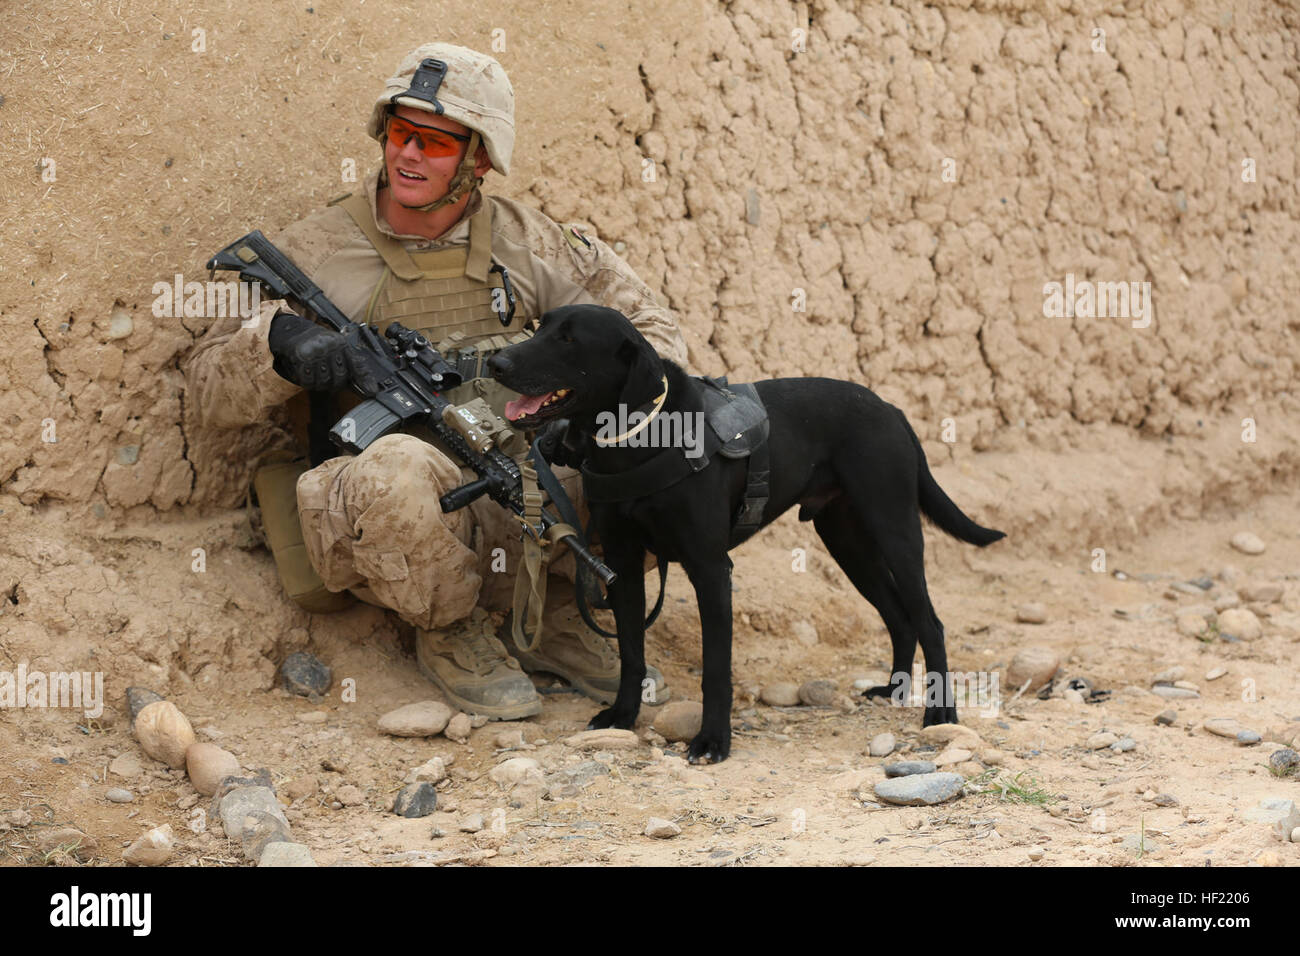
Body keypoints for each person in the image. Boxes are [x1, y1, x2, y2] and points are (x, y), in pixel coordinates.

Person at [184, 42, 687, 720]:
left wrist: (583, 410)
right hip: (406, 496)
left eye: (434, 141)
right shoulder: (321, 250)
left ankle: (564, 616)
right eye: (399, 132)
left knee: (679, 446)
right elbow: (207, 396)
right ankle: (451, 630)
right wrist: (284, 347)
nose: (409, 155)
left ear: (479, 158)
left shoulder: (529, 243)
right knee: (393, 471)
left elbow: (651, 337)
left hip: (522, 475)